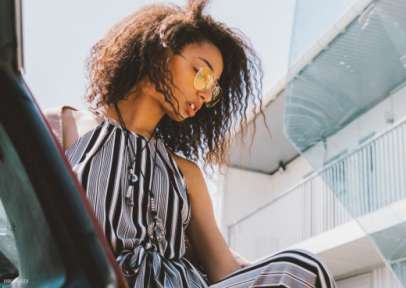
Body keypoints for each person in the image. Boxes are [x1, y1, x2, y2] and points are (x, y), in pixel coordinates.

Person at [45, 1, 335, 287]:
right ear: (160, 49)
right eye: (203, 73)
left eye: (213, 89)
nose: (207, 94)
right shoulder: (64, 127)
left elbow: (224, 269)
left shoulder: (186, 173)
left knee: (299, 269)